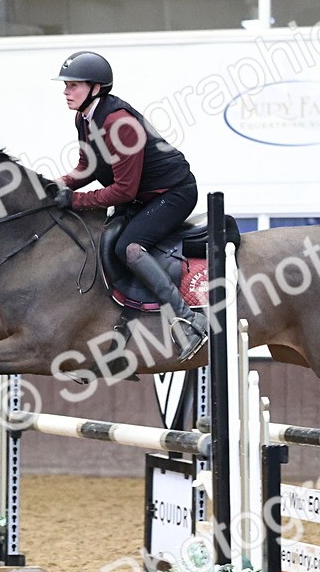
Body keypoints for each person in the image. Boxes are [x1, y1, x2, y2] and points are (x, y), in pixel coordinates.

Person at [52, 51, 207, 362]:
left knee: (130, 248)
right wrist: (57, 184)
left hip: (173, 193)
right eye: (65, 85)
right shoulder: (84, 118)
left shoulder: (119, 122)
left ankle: (189, 321)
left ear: (96, 88)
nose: (66, 92)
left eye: (73, 85)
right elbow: (87, 166)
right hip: (144, 196)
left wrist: (76, 200)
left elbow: (124, 191)